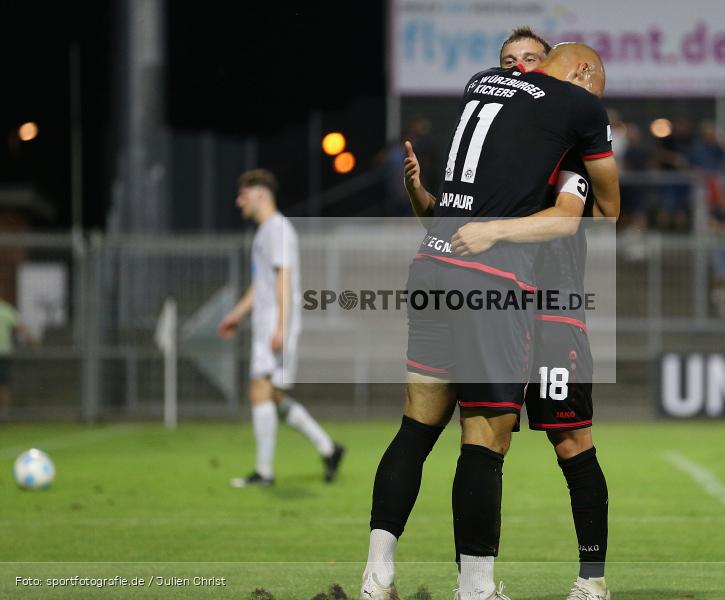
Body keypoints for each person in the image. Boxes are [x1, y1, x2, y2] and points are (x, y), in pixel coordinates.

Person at [361, 39, 618, 600]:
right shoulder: (566, 118)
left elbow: (571, 217)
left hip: (514, 298)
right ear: (579, 74)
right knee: (480, 437)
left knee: (561, 441)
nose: (519, 70)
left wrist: (436, 203)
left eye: (528, 60)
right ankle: (475, 589)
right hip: (498, 286)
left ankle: (587, 579)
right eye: (510, 62)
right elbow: (594, 213)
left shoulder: (486, 94)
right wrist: (487, 224)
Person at [218, 169, 344, 487]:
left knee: (260, 390)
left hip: (276, 325)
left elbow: (284, 280)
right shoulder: (265, 233)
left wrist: (280, 327)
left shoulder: (278, 230)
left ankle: (264, 472)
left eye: (243, 194)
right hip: (268, 324)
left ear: (260, 193)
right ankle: (329, 448)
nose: (238, 201)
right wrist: (236, 315)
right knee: (272, 395)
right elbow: (260, 285)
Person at [0, 298, 37, 419]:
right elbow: (21, 328)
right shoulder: (6, 309)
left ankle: (4, 414)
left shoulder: (6, 310)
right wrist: (33, 341)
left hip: (3, 353)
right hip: (4, 353)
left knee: (4, 384)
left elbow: (20, 327)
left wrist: (32, 341)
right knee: (4, 384)